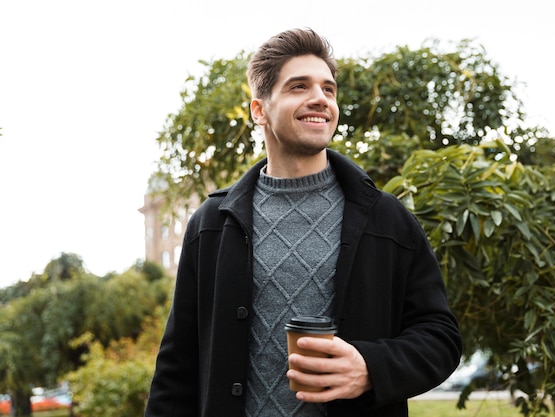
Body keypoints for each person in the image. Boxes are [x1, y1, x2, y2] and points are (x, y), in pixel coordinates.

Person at [144, 28, 462, 417]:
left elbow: (441, 338)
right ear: (259, 110)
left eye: (329, 89)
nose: (320, 99)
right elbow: (177, 368)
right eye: (299, 86)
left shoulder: (388, 219)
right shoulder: (211, 225)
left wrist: (370, 367)